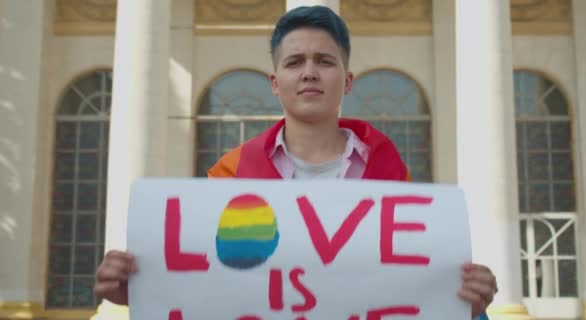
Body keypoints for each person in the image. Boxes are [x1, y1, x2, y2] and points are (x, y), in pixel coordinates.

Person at [95, 6, 497, 319]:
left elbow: (415, 293)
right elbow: (209, 291)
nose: (309, 73)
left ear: (348, 79)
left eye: (324, 61)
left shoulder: (391, 177)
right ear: (274, 83)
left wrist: (472, 307)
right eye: (294, 62)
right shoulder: (230, 175)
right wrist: (141, 292)